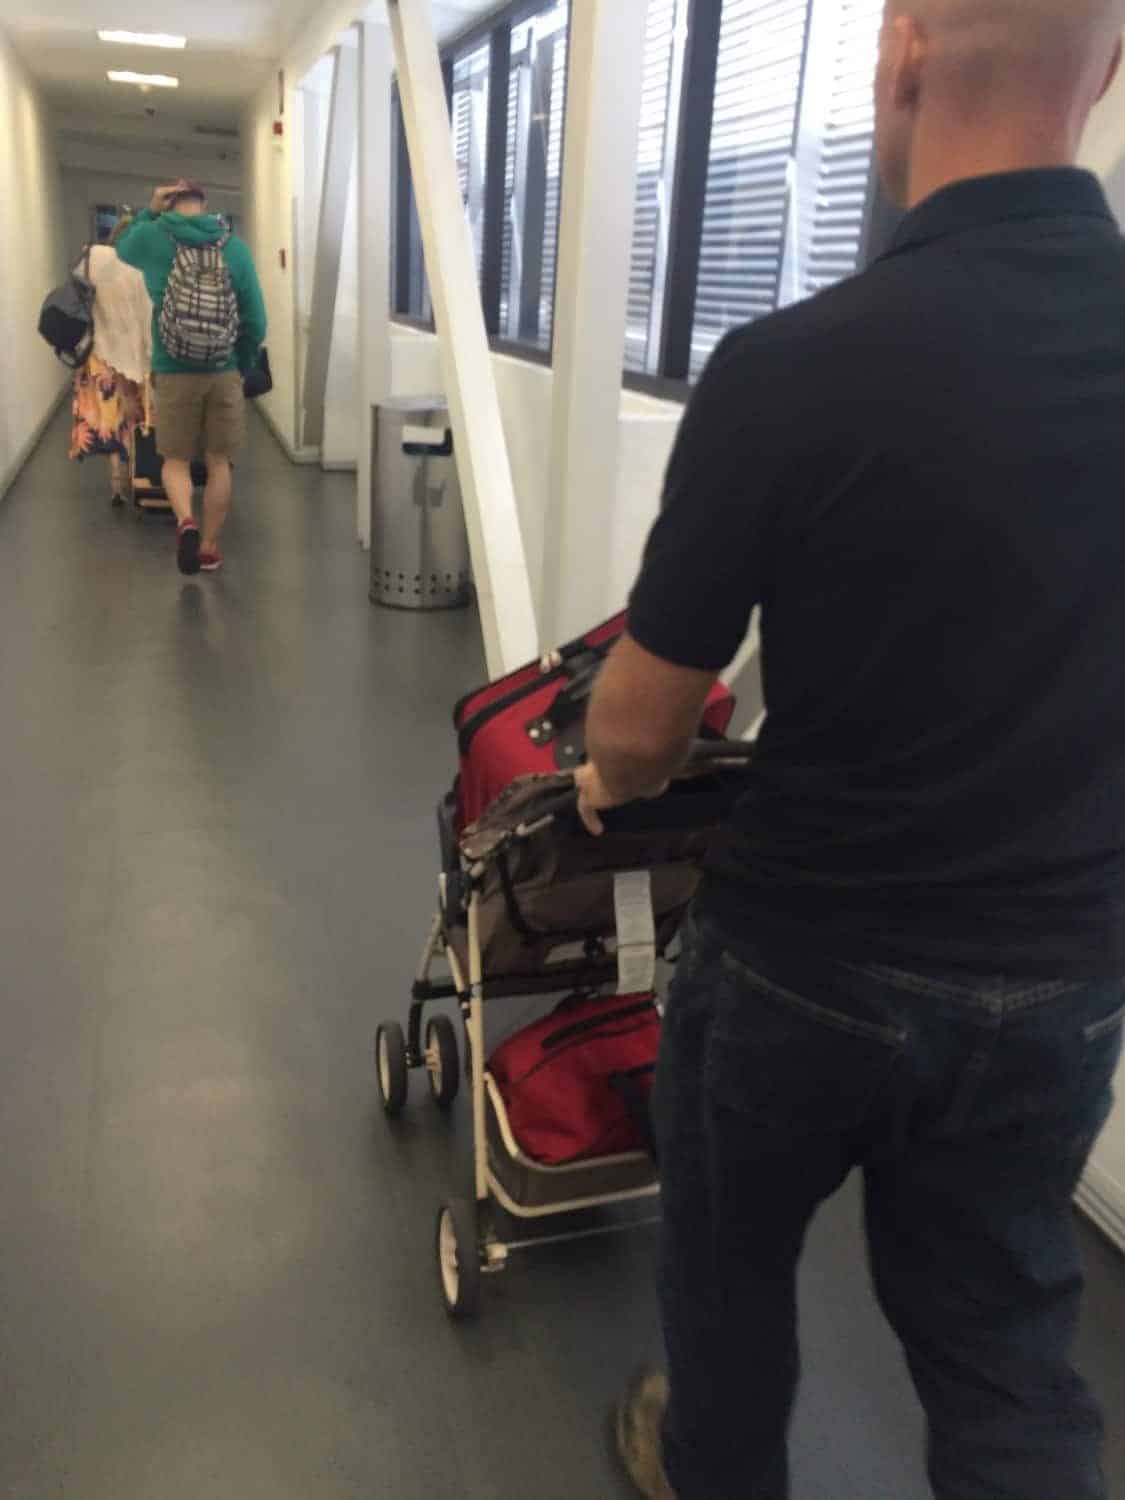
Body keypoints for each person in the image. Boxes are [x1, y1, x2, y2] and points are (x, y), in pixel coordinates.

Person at [577, 1, 1125, 1496]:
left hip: (802, 967)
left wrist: (601, 774)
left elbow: (636, 725)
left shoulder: (789, 367)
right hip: (1064, 975)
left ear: (901, 56)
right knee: (1006, 1354)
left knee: (730, 1281)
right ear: (1108, 71)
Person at [116, 179, 266, 575]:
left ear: (172, 203)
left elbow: (122, 248)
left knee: (176, 460)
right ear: (204, 205)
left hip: (173, 369)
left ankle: (185, 522)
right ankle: (210, 548)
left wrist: (150, 209)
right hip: (222, 370)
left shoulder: (152, 236)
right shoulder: (233, 247)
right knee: (219, 463)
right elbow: (256, 320)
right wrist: (241, 361)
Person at [68, 216, 152, 504]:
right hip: (131, 359)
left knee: (109, 417)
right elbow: (145, 320)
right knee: (132, 418)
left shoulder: (95, 259)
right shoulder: (140, 272)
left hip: (98, 357)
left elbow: (76, 285)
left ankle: (115, 483)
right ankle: (131, 475)